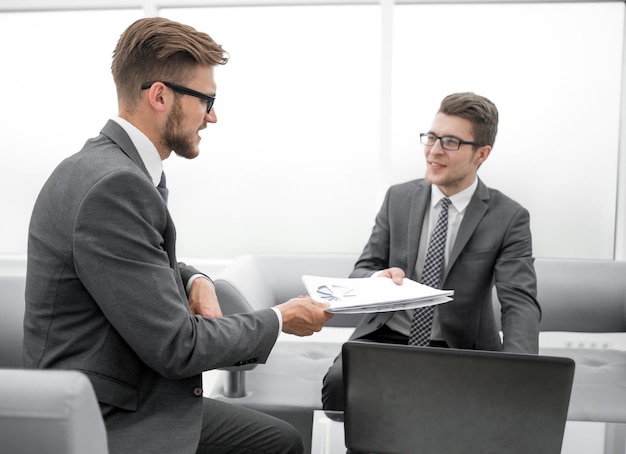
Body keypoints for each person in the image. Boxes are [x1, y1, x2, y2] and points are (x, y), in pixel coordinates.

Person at [22, 17, 333, 454]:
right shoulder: (115, 187)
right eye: (206, 99)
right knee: (279, 444)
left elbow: (133, 260)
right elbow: (178, 347)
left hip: (119, 395)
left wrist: (192, 279)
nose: (213, 116)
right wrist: (281, 318)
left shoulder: (103, 167)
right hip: (110, 417)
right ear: (160, 95)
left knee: (279, 438)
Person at [322, 92, 541, 411]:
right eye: (432, 137)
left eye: (451, 142)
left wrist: (520, 371)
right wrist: (376, 278)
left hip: (461, 346)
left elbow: (519, 301)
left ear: (482, 153)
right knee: (340, 383)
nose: (434, 151)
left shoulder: (508, 217)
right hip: (387, 335)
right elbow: (364, 267)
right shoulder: (398, 198)